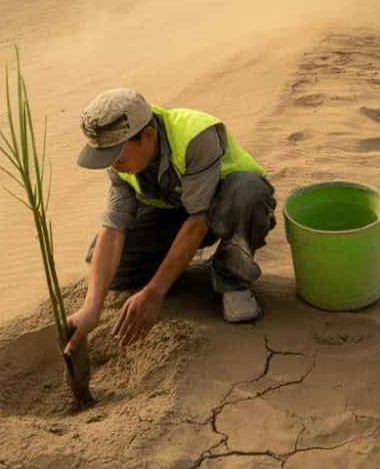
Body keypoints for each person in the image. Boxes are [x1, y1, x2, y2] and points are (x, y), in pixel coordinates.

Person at [63, 88, 277, 355]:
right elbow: (113, 227)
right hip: (175, 213)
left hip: (227, 206)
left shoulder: (196, 136)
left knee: (249, 192)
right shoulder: (121, 160)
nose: (113, 165)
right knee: (114, 270)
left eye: (117, 155)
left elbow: (199, 220)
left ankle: (231, 278)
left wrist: (154, 292)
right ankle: (177, 269)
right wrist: (91, 308)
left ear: (149, 135)